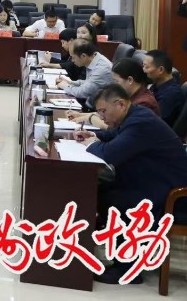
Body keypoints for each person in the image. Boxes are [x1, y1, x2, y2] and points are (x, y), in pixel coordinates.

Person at [73, 84, 187, 284]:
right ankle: (118, 254)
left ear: (120, 104)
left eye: (103, 111)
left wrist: (92, 144)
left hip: (171, 191)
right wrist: (95, 136)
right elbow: (115, 135)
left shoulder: (141, 122)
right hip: (154, 179)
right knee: (105, 190)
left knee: (116, 200)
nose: (101, 117)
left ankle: (128, 269)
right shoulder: (135, 115)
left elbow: (109, 153)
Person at [68, 59, 159, 129]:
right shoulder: (130, 95)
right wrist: (81, 115)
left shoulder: (144, 103)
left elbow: (118, 129)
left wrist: (91, 118)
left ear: (130, 80)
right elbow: (112, 114)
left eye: (116, 81)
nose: (114, 85)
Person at [142, 49, 185, 128]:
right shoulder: (157, 85)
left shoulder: (171, 94)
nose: (143, 70)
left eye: (146, 67)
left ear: (160, 70)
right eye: (143, 66)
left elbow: (154, 122)